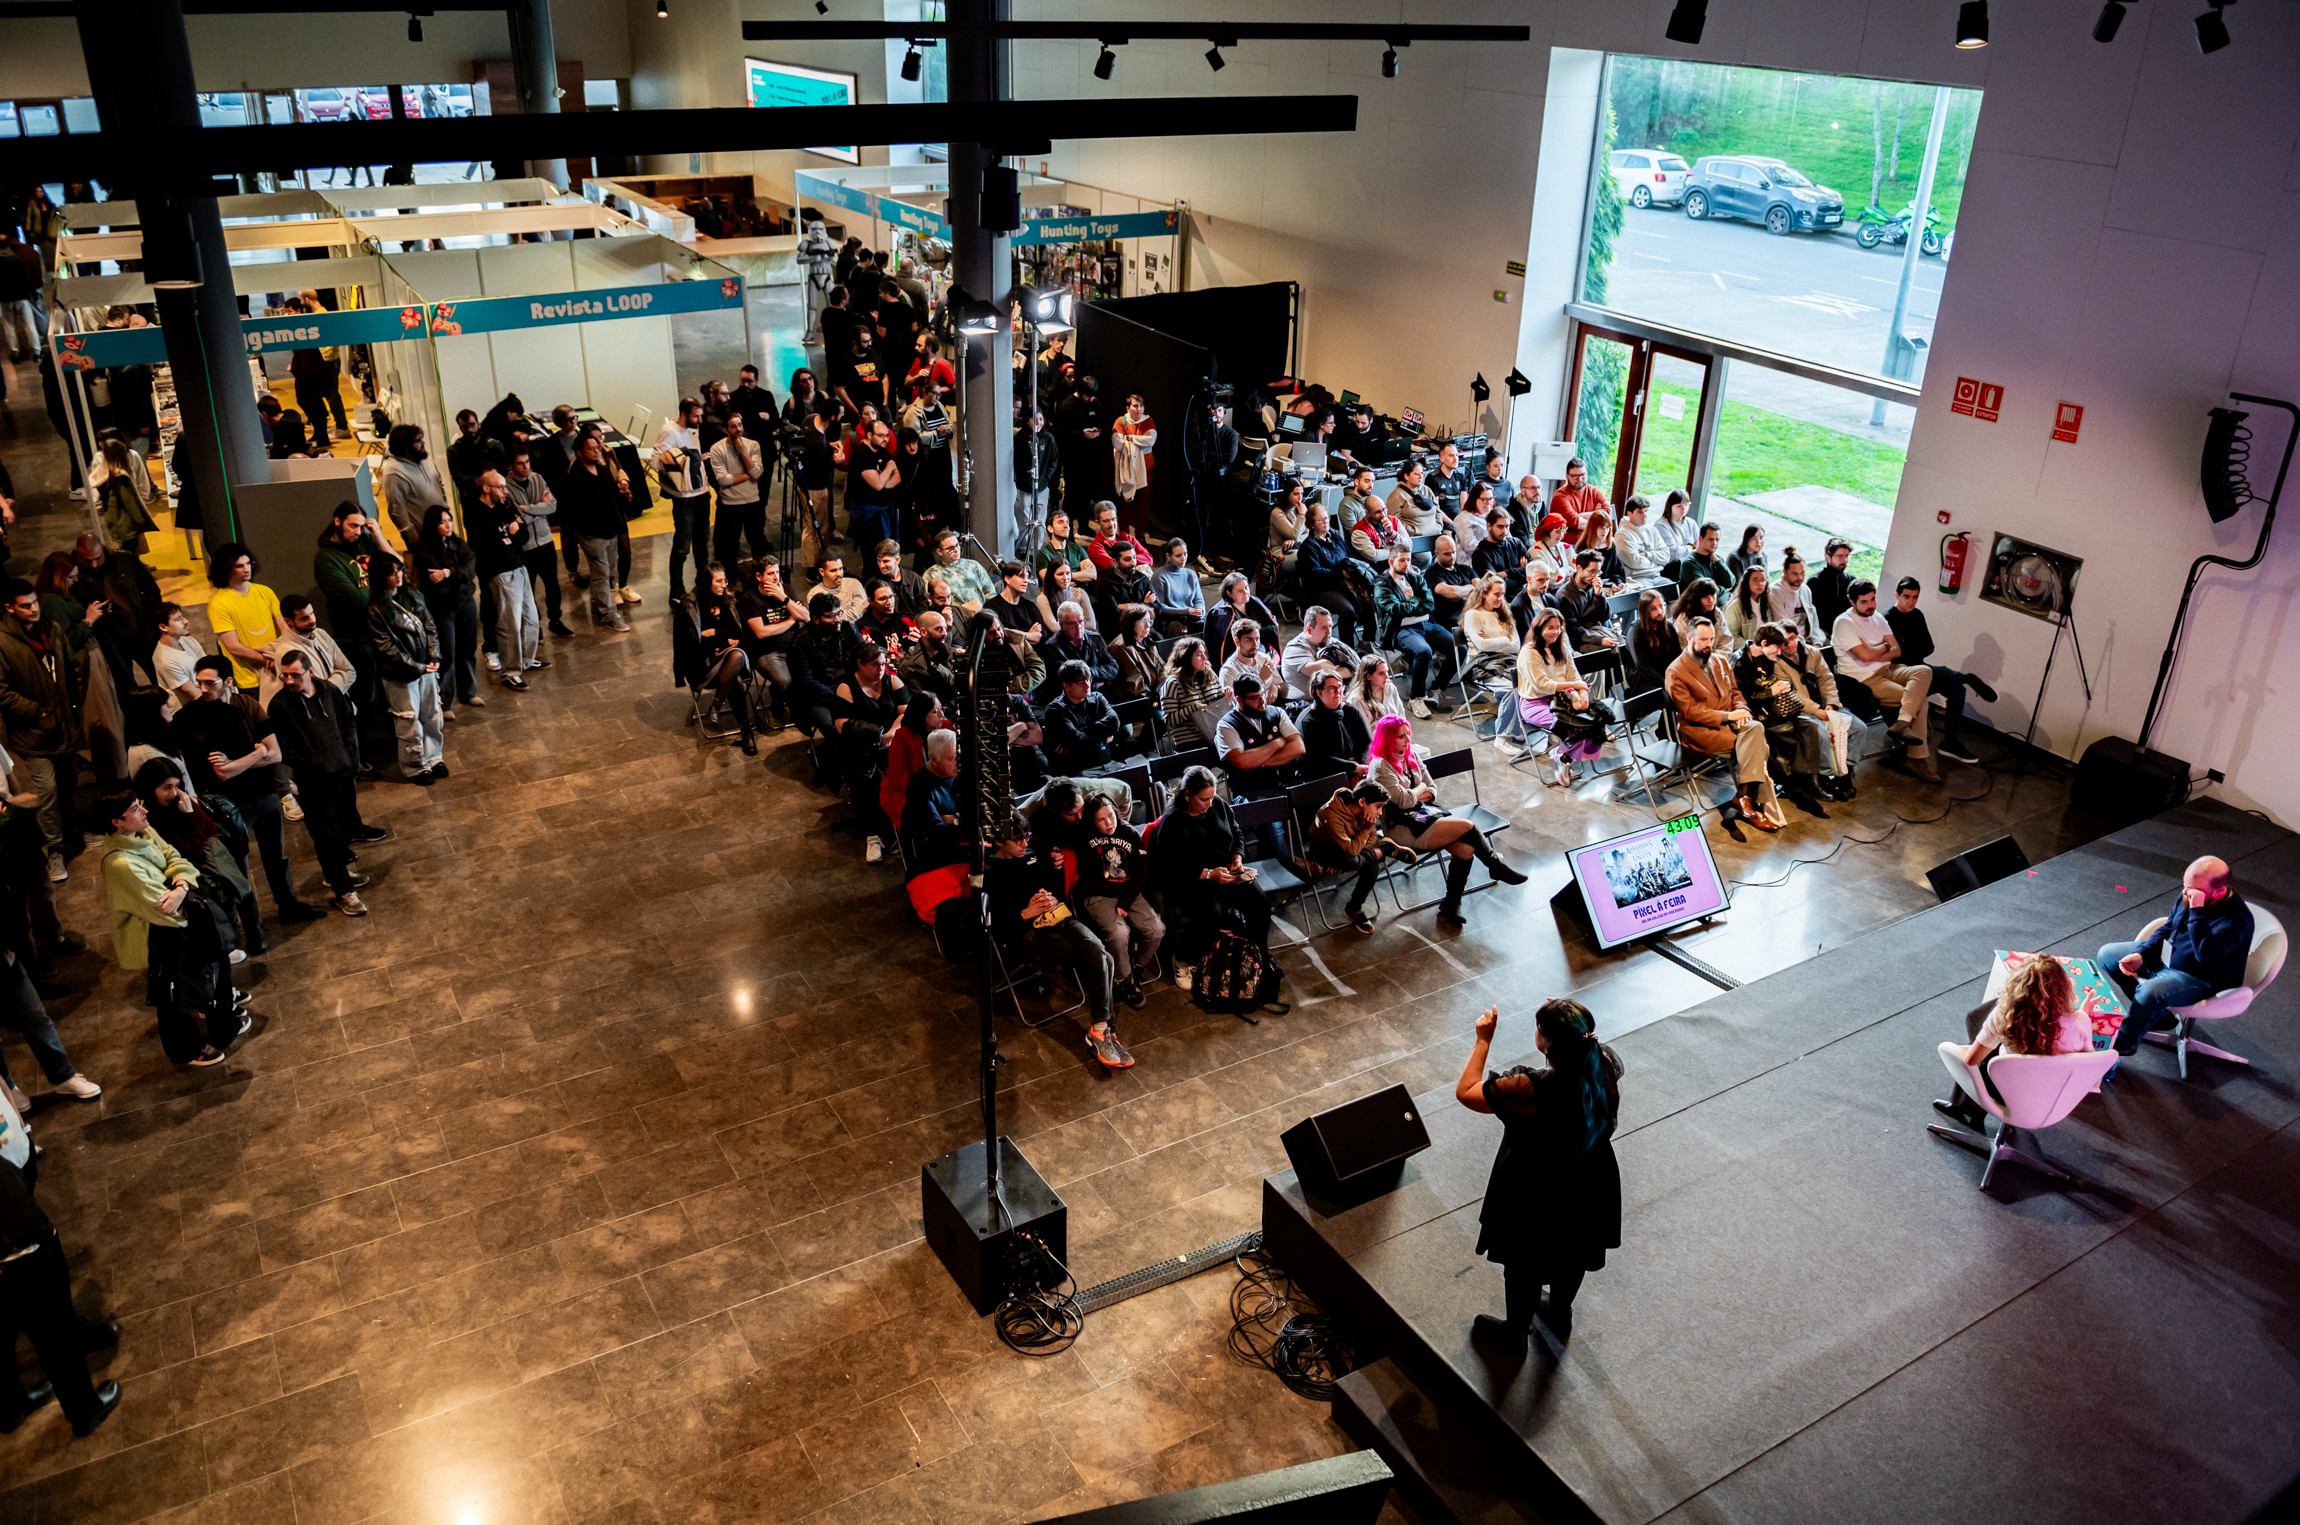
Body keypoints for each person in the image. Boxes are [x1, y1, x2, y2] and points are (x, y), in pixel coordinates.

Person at [1458, 998, 1624, 1347]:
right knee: (1574, 1252)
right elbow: (1581, 1042)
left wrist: (1483, 1040)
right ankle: (1560, 1312)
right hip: (1591, 1181)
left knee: (1525, 1261)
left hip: (1537, 1186)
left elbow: (1467, 1092)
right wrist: (1568, 1015)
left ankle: (1515, 1334)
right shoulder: (1603, 1061)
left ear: (1545, 1041)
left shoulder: (1529, 1088)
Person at [96, 787, 244, 1068]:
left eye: (140, 804)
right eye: (135, 809)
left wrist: (181, 886)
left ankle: (218, 1018)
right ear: (117, 822)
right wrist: (182, 890)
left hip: (178, 922)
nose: (145, 811)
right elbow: (166, 911)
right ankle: (185, 1051)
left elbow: (176, 858)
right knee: (173, 995)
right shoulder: (120, 864)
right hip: (158, 935)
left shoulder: (143, 832)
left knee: (204, 974)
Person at [0, 1110, 123, 1438]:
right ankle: (85, 1409)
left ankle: (10, 1403)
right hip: (15, 1237)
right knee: (49, 1323)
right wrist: (40, 1235)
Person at [986, 826, 1132, 1068]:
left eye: (1026, 837)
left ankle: (1101, 1030)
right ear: (999, 841)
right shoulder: (990, 872)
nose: (1024, 844)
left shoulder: (1032, 856)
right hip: (1029, 933)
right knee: (1103, 960)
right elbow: (995, 926)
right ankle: (1105, 1030)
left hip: (1059, 917)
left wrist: (1052, 897)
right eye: (1017, 839)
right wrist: (1025, 913)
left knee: (1101, 954)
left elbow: (1052, 887)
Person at [1368, 715, 1526, 924]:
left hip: (1423, 816)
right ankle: (1495, 865)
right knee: (1468, 826)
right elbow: (1405, 801)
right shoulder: (1380, 767)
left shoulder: (1410, 754)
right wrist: (1420, 789)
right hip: (1400, 828)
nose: (1408, 740)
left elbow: (1432, 789)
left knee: (1466, 849)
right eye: (1401, 737)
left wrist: (1417, 793)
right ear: (1388, 739)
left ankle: (1451, 904)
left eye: (1408, 734)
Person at [2098, 855, 2254, 1060]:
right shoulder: (2190, 894)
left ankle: (2124, 1044)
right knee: (2108, 955)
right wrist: (2141, 953)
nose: (2186, 892)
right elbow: (2169, 926)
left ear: (2219, 891)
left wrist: (2197, 909)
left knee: (2150, 991)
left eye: (2193, 890)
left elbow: (2205, 955)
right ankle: (2159, 1017)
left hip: (2201, 979)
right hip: (2170, 958)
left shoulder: (2236, 920)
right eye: (2185, 885)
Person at [266, 648, 383, 915]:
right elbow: (283, 745)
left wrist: (349, 758)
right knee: (326, 837)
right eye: (285, 675)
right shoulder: (280, 705)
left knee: (345, 830)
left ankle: (335, 873)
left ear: (310, 671)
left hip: (343, 776)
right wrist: (310, 764)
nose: (289, 681)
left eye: (295, 675)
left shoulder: (330, 691)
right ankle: (344, 891)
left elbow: (348, 724)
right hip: (314, 783)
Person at [1149, 765, 1275, 994]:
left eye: (1212, 797)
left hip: (1224, 873)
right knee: (1213, 915)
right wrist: (1208, 874)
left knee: (1260, 904)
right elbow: (1172, 867)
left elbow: (1236, 832)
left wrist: (1237, 856)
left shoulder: (1217, 804)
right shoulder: (1172, 822)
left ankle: (1258, 954)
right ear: (1188, 795)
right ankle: (1184, 958)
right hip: (1189, 881)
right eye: (1203, 799)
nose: (1209, 804)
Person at [1932, 955, 2095, 1131]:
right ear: (2064, 988)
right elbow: (2088, 1062)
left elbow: (1971, 1060)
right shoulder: (2081, 1022)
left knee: (1984, 1039)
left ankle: (1963, 1105)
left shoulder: (2002, 1015)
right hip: (2054, 1098)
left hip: (2006, 1093)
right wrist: (2083, 1015)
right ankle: (1967, 1105)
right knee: (1985, 1026)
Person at [133, 758, 266, 955]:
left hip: (209, 858)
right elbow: (192, 849)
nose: (173, 793)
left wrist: (191, 814)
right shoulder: (149, 820)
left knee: (238, 885)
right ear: (150, 788)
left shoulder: (182, 801)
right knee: (221, 895)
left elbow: (209, 828)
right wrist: (190, 816)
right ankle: (230, 943)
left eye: (177, 786)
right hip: (184, 871)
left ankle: (254, 934)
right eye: (166, 788)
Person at [0, 581, 82, 885]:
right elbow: (1, 692)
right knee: (47, 791)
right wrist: (38, 711)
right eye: (25, 605)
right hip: (32, 733)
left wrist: (74, 704)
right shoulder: (3, 642)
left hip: (63, 726)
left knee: (69, 783)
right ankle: (54, 848)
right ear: (10, 608)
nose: (34, 609)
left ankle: (72, 833)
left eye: (34, 602)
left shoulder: (52, 629)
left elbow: (70, 666)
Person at [1666, 618, 1782, 827]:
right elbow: (1691, 712)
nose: (1709, 644)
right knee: (1758, 742)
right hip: (1701, 729)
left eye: (1711, 639)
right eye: (1703, 639)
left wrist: (1742, 710)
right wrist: (1729, 716)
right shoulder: (1675, 671)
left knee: (1755, 729)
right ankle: (1749, 799)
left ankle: (1744, 797)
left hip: (1732, 720)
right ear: (1689, 638)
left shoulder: (1719, 661)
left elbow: (1736, 693)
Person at [1832, 579, 1940, 783]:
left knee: (1924, 671)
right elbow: (1865, 656)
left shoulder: (1878, 617)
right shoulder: (1844, 622)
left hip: (1889, 669)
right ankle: (1915, 758)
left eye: (1872, 599)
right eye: (1864, 602)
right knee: (1921, 701)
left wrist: (1873, 650)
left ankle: (1902, 723)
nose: (1870, 605)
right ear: (1852, 602)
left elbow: (1897, 650)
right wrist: (1883, 646)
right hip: (1864, 679)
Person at [1885, 577, 1998, 765]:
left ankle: (1950, 742)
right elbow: (1899, 655)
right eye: (1906, 597)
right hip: (1902, 672)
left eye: (1915, 597)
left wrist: (1908, 647)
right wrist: (1911, 648)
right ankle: (1967, 678)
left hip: (1920, 669)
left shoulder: (1917, 615)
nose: (1911, 601)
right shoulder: (1888, 619)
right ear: (1897, 595)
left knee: (1957, 690)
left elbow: (1929, 647)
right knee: (1936, 672)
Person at [1072, 791, 1162, 1012]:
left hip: (1128, 892)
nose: (1109, 823)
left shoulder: (1129, 832)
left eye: (1111, 815)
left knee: (1157, 929)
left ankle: (1138, 965)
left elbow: (1142, 872)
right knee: (1119, 934)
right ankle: (1123, 978)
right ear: (1092, 821)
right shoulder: (1081, 835)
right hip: (1098, 896)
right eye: (1101, 820)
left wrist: (1125, 901)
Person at [1733, 623, 1834, 811]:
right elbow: (1742, 697)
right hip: (1757, 714)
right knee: (1788, 732)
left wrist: (1779, 687)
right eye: (1777, 648)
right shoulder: (1740, 662)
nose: (1779, 653)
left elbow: (1767, 682)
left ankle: (1811, 781)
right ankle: (1797, 784)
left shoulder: (1765, 657)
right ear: (1764, 643)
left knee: (1809, 726)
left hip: (1774, 709)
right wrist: (1771, 691)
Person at [367, 557, 447, 785]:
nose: (398, 575)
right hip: (399, 674)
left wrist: (434, 655)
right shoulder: (376, 608)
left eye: (399, 569)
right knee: (409, 720)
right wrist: (418, 667)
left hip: (426, 667)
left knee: (432, 715)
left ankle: (434, 758)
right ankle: (415, 767)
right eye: (391, 572)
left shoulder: (412, 594)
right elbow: (386, 648)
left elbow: (429, 625)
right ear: (380, 576)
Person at [1522, 608, 1613, 787]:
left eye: (1558, 627)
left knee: (1597, 717)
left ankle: (1563, 755)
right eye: (1550, 627)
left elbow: (1574, 675)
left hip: (1565, 698)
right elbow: (1543, 685)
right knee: (1575, 725)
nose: (1555, 632)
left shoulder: (1561, 647)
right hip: (1536, 704)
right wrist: (1578, 687)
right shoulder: (1529, 652)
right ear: (1539, 628)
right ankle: (1564, 759)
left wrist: (1583, 693)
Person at [1312, 778, 1415, 934]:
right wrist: (1366, 830)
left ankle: (1353, 908)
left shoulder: (1362, 810)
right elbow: (1353, 850)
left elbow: (1368, 843)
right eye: (1378, 807)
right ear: (1362, 802)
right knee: (1354, 860)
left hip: (1350, 847)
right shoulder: (1332, 816)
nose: (1380, 813)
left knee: (1371, 865)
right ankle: (1387, 850)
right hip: (1324, 850)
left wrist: (1366, 834)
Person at [834, 641, 903, 860]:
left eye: (883, 664)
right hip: (862, 746)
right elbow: (842, 724)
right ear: (860, 664)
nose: (880, 669)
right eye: (874, 665)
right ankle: (873, 835)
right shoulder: (846, 687)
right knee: (865, 780)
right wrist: (877, 737)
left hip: (892, 741)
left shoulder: (892, 681)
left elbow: (905, 713)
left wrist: (890, 735)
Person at [411, 505, 482, 719]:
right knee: (447, 654)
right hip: (442, 608)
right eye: (442, 521)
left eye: (449, 520)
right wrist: (459, 578)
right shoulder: (424, 550)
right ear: (433, 525)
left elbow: (470, 571)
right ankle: (445, 702)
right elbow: (435, 584)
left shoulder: (459, 544)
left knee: (468, 648)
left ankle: (468, 692)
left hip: (466, 603)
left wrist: (448, 572)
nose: (448, 525)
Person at [469, 468, 538, 689]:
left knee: (531, 619)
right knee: (510, 625)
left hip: (520, 567)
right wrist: (512, 536)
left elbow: (524, 534)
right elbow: (494, 547)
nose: (505, 491)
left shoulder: (505, 505)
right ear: (486, 488)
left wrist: (512, 537)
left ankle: (526, 660)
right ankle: (511, 671)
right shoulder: (476, 513)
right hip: (501, 574)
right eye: (500, 487)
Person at [1373, 542, 1459, 716]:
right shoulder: (1382, 584)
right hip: (1401, 630)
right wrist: (1415, 601)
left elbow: (1429, 604)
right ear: (1391, 562)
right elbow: (1396, 610)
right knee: (1424, 651)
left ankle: (1437, 688)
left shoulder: (1416, 578)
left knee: (1459, 647)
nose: (1407, 564)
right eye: (1402, 560)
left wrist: (1410, 605)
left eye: (1409, 560)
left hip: (1426, 625)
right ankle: (1416, 698)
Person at [559, 431, 633, 632]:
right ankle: (609, 615)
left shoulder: (602, 470)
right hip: (592, 534)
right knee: (602, 573)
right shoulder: (575, 478)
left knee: (606, 571)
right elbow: (572, 510)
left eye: (597, 447)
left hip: (610, 530)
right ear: (579, 453)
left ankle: (596, 606)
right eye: (590, 449)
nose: (596, 451)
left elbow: (613, 499)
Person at [503, 446, 571, 638]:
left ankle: (555, 620)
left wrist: (525, 509)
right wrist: (538, 509)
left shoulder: (537, 478)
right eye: (520, 463)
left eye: (527, 462)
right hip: (525, 546)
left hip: (545, 541)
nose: (526, 467)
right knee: (528, 588)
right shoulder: (506, 487)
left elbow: (552, 506)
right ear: (510, 465)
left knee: (553, 584)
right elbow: (515, 518)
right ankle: (534, 625)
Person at [692, 563, 757, 757]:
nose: (724, 585)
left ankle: (716, 705)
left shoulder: (730, 602)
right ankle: (746, 730)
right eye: (718, 581)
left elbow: (737, 633)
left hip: (735, 658)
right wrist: (723, 639)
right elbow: (697, 640)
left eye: (725, 580)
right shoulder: (695, 608)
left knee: (736, 655)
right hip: (707, 664)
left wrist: (714, 632)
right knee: (735, 679)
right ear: (707, 583)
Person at [653, 397, 712, 602]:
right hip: (685, 499)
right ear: (683, 414)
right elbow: (655, 462)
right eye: (696, 416)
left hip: (702, 492)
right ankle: (676, 591)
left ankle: (704, 585)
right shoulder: (669, 432)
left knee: (702, 543)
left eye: (701, 416)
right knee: (682, 548)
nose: (700, 420)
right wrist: (687, 460)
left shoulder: (693, 428)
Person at [1216, 675, 1306, 802]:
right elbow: (1242, 761)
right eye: (1255, 698)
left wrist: (1260, 763)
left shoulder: (1277, 713)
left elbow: (1298, 747)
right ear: (1239, 700)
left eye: (1263, 694)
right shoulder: (1227, 725)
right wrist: (1277, 743)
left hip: (1289, 782)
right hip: (1252, 790)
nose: (1262, 701)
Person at [708, 411, 771, 573]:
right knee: (729, 546)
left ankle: (760, 577)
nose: (738, 429)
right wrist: (749, 475)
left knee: (757, 542)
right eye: (733, 426)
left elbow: (758, 473)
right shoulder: (717, 449)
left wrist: (743, 451)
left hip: (752, 502)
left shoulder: (753, 445)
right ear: (725, 430)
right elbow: (723, 479)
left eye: (740, 425)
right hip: (730, 505)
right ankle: (730, 579)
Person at [1294, 503, 1362, 647]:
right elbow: (1314, 573)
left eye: (1326, 518)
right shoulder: (1308, 547)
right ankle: (1347, 648)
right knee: (1348, 610)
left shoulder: (1335, 536)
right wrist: (1340, 573)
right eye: (1320, 520)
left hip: (1342, 583)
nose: (1325, 522)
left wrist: (1351, 568)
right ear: (1312, 524)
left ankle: (1367, 641)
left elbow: (1349, 554)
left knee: (1368, 599)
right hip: (1320, 589)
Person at [901, 729, 967, 869]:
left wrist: (954, 819)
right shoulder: (918, 786)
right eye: (951, 758)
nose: (958, 762)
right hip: (935, 857)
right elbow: (937, 833)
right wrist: (975, 828)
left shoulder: (961, 773)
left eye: (959, 755)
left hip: (964, 846)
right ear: (934, 759)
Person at [1043, 661, 1122, 775]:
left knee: (1142, 778)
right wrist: (1104, 738)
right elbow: (1078, 743)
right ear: (1066, 686)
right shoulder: (1055, 710)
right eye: (1080, 682)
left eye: (1088, 679)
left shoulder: (1097, 698)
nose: (1088, 685)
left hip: (1109, 763)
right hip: (1081, 769)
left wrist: (1082, 731)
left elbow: (1114, 723)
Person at [378, 423, 451, 542]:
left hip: (443, 528)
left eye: (421, 438)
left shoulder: (425, 458)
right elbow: (396, 509)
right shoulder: (394, 472)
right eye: (418, 440)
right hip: (422, 536)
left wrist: (446, 511)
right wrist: (410, 535)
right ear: (406, 447)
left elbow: (439, 485)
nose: (423, 442)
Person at [1298, 669, 1372, 779]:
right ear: (1319, 692)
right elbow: (1318, 759)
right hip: (1324, 776)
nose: (1338, 692)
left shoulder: (1349, 710)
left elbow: (1367, 742)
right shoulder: (1307, 721)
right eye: (1332, 688)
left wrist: (1366, 764)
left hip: (1355, 768)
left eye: (1340, 687)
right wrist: (1353, 768)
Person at [1159, 637, 1227, 746]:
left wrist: (1225, 696)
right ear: (1185, 657)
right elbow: (1170, 720)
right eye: (1198, 655)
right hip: (1191, 742)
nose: (1205, 658)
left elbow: (1218, 702)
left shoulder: (1209, 674)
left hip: (1217, 736)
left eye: (1204, 653)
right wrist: (1194, 709)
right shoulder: (1173, 684)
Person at [1555, 550, 1622, 656]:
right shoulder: (1564, 596)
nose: (1595, 576)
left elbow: (1604, 617)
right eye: (1592, 571)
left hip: (1600, 631)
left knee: (1626, 643)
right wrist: (1600, 640)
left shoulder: (1593, 587)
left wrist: (1599, 595)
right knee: (1613, 651)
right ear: (1579, 568)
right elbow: (1573, 630)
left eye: (1598, 572)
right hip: (1582, 640)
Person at [1015, 407, 1060, 552]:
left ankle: (1037, 548)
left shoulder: (1048, 438)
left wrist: (1045, 479)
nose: (1038, 423)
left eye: (1041, 419)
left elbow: (1053, 460)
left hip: (1042, 487)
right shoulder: (1019, 439)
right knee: (1024, 520)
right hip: (1024, 488)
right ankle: (1024, 549)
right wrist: (1021, 479)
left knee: (1040, 521)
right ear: (1027, 421)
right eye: (1034, 419)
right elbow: (1014, 462)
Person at [1111, 393, 1157, 529]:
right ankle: (1123, 535)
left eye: (1141, 406)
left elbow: (1151, 440)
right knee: (1124, 505)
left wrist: (1129, 438)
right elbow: (1118, 443)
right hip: (1125, 470)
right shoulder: (1121, 421)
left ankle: (1140, 536)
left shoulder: (1148, 421)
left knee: (1141, 506)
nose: (1139, 409)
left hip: (1145, 469)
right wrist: (1141, 442)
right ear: (1128, 408)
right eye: (1135, 406)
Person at [149, 602, 205, 706]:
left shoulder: (188, 640)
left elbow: (210, 668)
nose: (186, 621)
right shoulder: (165, 661)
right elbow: (196, 695)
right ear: (163, 627)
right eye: (178, 619)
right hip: (192, 710)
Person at [1091, 540, 1152, 636]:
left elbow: (1157, 608)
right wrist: (1144, 605)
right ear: (1115, 561)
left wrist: (1127, 606)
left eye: (1134, 557)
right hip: (1120, 632)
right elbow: (1115, 615)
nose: (1133, 563)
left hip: (1146, 629)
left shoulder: (1141, 578)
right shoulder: (1105, 583)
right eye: (1127, 559)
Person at [1150, 537, 1207, 636]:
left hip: (1191, 618)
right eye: (1178, 556)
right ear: (1168, 556)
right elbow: (1160, 608)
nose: (1183, 559)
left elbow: (1199, 599)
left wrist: (1200, 610)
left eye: (1185, 554)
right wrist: (1187, 611)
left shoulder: (1191, 574)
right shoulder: (1159, 576)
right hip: (1172, 622)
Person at [1629, 588, 1681, 693]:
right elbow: (1644, 668)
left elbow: (1677, 657)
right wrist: (1666, 684)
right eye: (1653, 608)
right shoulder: (1636, 632)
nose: (1660, 612)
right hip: (1645, 679)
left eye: (1661, 606)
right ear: (1645, 611)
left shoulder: (1668, 627)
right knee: (1667, 695)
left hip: (1666, 673)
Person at [1767, 547, 1822, 646]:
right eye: (1795, 574)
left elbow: (1813, 621)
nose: (1800, 578)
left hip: (1807, 641)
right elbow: (1782, 625)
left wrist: (1817, 643)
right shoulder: (1775, 591)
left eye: (1802, 573)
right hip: (1787, 643)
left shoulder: (1805, 590)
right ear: (1785, 572)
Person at [928, 531, 994, 612]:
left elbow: (990, 594)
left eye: (957, 545)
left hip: (981, 614)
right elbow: (931, 604)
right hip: (953, 616)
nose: (956, 550)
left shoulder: (974, 566)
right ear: (939, 551)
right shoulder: (932, 574)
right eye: (950, 548)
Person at [985, 560, 1044, 644]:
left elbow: (1042, 637)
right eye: (1021, 576)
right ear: (1007, 579)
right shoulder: (991, 607)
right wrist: (1029, 635)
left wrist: (1014, 634)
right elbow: (1000, 636)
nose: (1026, 580)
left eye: (1027, 577)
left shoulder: (1031, 607)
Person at [1810, 538, 1859, 637]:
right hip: (1824, 632)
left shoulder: (1851, 580)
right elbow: (1816, 617)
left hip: (1847, 630)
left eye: (1846, 556)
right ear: (1828, 558)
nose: (1845, 560)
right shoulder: (1815, 582)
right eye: (1840, 556)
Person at [1615, 496, 1670, 583]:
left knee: (1672, 587)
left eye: (1646, 511)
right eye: (1640, 512)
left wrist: (1647, 554)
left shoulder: (1653, 531)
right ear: (1629, 513)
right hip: (1636, 579)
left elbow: (1666, 556)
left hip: (1656, 575)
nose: (1645, 515)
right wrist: (1657, 563)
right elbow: (1635, 562)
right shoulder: (1622, 534)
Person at [1036, 560, 1096, 638]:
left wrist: (1070, 627)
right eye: (1060, 574)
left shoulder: (1080, 593)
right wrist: (1079, 625)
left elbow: (1092, 624)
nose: (1065, 578)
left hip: (1083, 636)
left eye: (1068, 573)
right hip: (1058, 639)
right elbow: (1054, 627)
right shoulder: (1043, 598)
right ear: (1052, 576)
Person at [1462, 574, 1518, 657]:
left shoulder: (1505, 613)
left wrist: (1490, 641)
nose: (1500, 598)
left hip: (1506, 659)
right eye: (1497, 594)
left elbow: (1516, 647)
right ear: (1484, 594)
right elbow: (1482, 646)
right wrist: (1506, 640)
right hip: (1481, 661)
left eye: (1502, 594)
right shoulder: (1473, 614)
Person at [1550, 458, 1608, 535]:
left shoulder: (1595, 492)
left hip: (1592, 540)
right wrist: (1597, 517)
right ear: (1567, 476)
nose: (1580, 479)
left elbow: (1608, 513)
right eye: (1575, 476)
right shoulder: (1560, 495)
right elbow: (1574, 522)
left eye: (1583, 475)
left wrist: (1581, 515)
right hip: (1568, 541)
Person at [1388, 458, 1444, 539]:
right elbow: (1395, 521)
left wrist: (1438, 526)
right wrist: (1413, 532)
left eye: (1422, 473)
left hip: (1436, 534)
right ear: (1406, 476)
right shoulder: (1397, 495)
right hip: (1415, 538)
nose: (1421, 477)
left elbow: (1437, 510)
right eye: (1417, 474)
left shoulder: (1427, 490)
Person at [1722, 565, 1770, 651]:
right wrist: (1753, 647)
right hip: (1746, 652)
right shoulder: (1734, 607)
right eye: (1755, 580)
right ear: (1747, 582)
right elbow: (1731, 637)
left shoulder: (1767, 602)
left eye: (1763, 580)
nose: (1760, 583)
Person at [1035, 506, 1088, 583]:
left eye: (1067, 522)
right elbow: (1048, 580)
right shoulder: (1044, 553)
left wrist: (1067, 576)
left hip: (1080, 590)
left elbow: (1092, 574)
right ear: (1050, 528)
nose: (1066, 526)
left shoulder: (1078, 549)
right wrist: (1079, 578)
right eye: (1060, 522)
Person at [1675, 520, 1731, 593]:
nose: (1714, 543)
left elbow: (1730, 583)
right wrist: (1724, 591)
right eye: (1711, 539)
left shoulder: (1717, 559)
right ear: (1700, 538)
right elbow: (1705, 591)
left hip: (1719, 599)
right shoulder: (1690, 563)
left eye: (1717, 540)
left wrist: (1719, 563)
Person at [1670, 578, 1722, 651]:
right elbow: (1686, 650)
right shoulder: (1682, 622)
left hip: (1719, 657)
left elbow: (1726, 640)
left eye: (1713, 595)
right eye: (1705, 596)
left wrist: (1719, 656)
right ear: (1696, 599)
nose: (1711, 600)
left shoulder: (1717, 613)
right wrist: (1710, 657)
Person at [1654, 489, 1697, 567]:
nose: (1684, 509)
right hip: (1670, 566)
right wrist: (1691, 548)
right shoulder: (1661, 525)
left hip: (1689, 563)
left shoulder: (1691, 523)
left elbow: (1699, 544)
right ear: (1670, 506)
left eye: (1686, 505)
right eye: (1679, 506)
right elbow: (1672, 552)